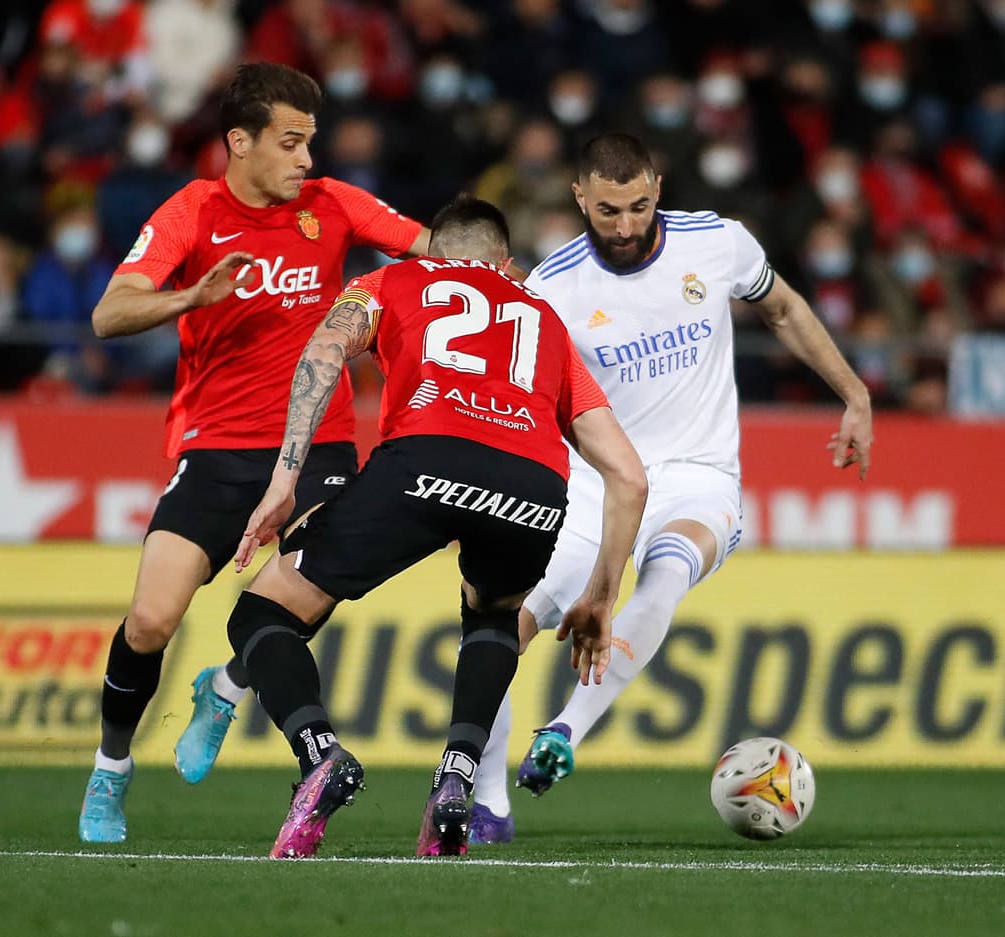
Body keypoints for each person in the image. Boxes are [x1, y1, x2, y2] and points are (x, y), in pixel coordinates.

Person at [466, 133, 874, 845]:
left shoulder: (717, 243)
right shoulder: (551, 288)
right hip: (593, 487)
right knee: (504, 626)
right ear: (579, 198)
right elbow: (513, 394)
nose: (625, 225)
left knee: (668, 569)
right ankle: (491, 799)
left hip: (700, 474)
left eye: (639, 205)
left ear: (658, 185)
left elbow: (783, 309)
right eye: (608, 211)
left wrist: (854, 393)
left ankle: (567, 728)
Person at [223, 195, 647, 858]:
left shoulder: (390, 279)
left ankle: (319, 756)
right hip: (534, 485)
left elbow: (327, 346)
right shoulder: (545, 320)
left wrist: (285, 477)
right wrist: (601, 593)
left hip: (426, 458)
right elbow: (629, 475)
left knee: (260, 616)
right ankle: (459, 777)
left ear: (430, 252)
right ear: (506, 265)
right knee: (492, 617)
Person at [77, 61, 430, 843]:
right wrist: (192, 297)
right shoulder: (193, 212)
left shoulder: (332, 204)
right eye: (291, 142)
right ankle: (111, 769)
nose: (307, 159)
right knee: (149, 620)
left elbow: (435, 249)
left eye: (311, 142)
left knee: (299, 597)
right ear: (240, 142)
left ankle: (229, 684)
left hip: (320, 445)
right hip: (218, 447)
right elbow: (109, 314)